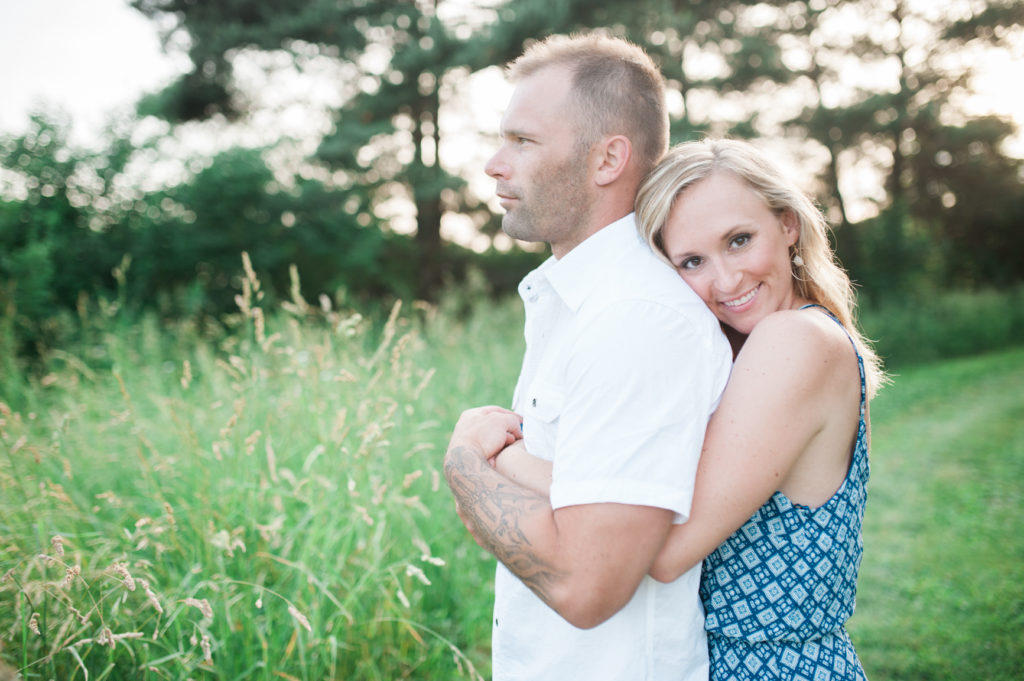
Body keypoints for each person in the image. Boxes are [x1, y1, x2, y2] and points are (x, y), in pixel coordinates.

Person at [491, 137, 886, 680]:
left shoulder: (794, 341)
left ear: (789, 224)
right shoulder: (772, 343)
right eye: (692, 261)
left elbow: (663, 546)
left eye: (740, 241)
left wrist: (508, 458)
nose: (726, 281)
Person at [443, 34, 733, 681]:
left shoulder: (636, 319)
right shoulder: (577, 302)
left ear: (607, 158)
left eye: (523, 141)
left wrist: (465, 463)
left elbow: (585, 584)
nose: (494, 163)